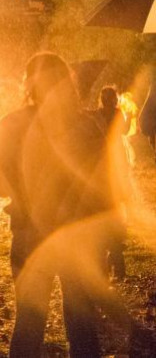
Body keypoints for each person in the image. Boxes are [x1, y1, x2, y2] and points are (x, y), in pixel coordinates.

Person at [0, 52, 131, 358]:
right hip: (78, 237)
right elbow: (105, 185)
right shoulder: (87, 125)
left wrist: (18, 194)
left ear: (30, 84)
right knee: (82, 325)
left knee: (31, 324)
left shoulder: (14, 124)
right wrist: (114, 238)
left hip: (31, 235)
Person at [90, 86, 132, 280]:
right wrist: (129, 116)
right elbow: (124, 131)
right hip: (114, 164)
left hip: (102, 165)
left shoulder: (96, 115)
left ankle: (108, 266)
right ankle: (116, 264)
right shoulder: (117, 114)